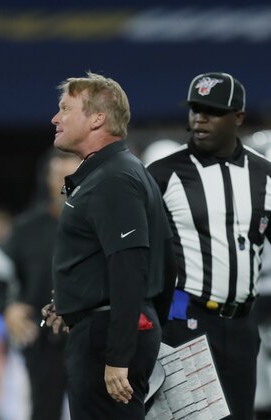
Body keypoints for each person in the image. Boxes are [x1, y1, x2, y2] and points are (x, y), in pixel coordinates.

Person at [41, 72, 175, 419]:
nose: (56, 118)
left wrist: (119, 354)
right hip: (111, 327)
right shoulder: (115, 171)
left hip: (109, 337)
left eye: (66, 109)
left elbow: (130, 269)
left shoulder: (114, 177)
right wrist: (73, 301)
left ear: (98, 118)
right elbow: (166, 257)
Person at [147, 71, 271, 420]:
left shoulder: (265, 176)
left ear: (238, 118)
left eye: (212, 111)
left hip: (243, 321)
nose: (199, 118)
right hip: (185, 315)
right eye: (195, 109)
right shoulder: (162, 174)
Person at [2, 148, 81, 420]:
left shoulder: (101, 223)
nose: (62, 177)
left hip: (90, 333)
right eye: (57, 170)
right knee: (43, 411)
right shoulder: (28, 227)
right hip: (44, 337)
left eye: (69, 172)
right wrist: (8, 306)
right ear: (47, 177)